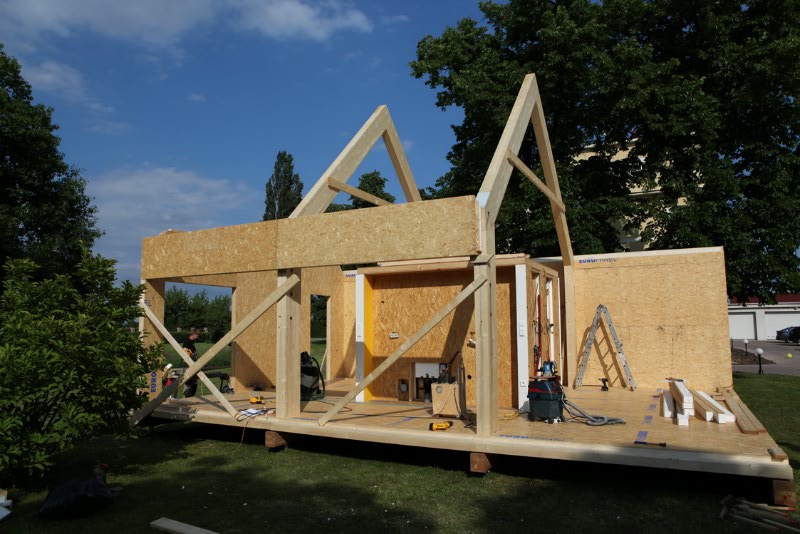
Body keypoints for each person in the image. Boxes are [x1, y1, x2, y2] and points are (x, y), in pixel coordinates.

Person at [182, 328, 201, 397]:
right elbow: (185, 354)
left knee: (194, 382)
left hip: (193, 364)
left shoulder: (192, 342)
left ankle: (191, 396)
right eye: (197, 336)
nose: (197, 337)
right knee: (188, 381)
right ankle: (186, 396)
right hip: (188, 364)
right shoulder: (187, 342)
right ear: (194, 334)